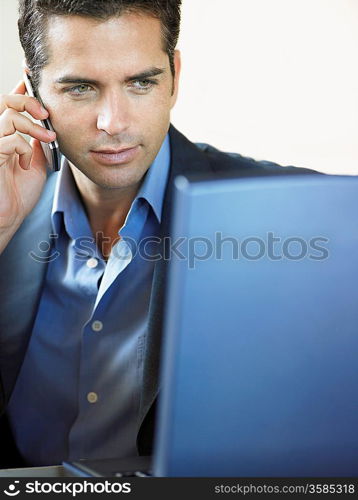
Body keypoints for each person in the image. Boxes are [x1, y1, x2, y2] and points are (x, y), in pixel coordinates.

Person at [0, 0, 313, 468]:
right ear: (32, 91)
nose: (114, 123)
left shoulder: (292, 215)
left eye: (141, 83)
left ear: (175, 76)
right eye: (81, 89)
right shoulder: (7, 202)